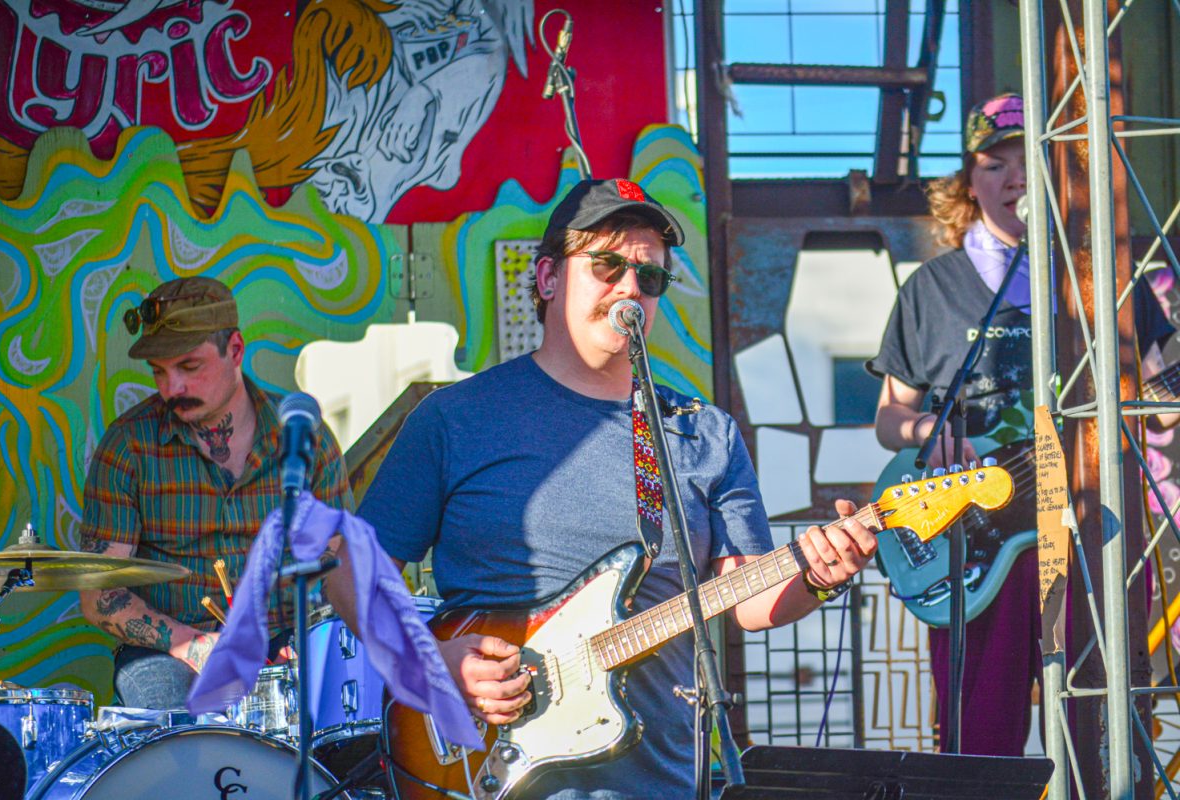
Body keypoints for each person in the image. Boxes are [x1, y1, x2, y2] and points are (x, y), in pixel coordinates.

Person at [332, 178, 879, 799]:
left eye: (648, 278)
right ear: (546, 280)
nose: (628, 288)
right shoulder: (455, 419)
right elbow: (351, 570)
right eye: (606, 265)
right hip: (488, 771)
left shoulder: (703, 433)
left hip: (662, 778)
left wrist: (819, 571)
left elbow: (748, 600)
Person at [869, 93, 1174, 755]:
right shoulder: (933, 287)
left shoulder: (1110, 279)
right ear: (969, 185)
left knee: (1104, 728)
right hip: (977, 538)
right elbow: (889, 418)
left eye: (1028, 161)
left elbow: (1161, 394)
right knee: (980, 731)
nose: (1012, 178)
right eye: (993, 163)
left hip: (1099, 526)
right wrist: (925, 432)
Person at [78, 277, 351, 709]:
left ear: (236, 350)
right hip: (169, 649)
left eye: (189, 367)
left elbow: (337, 568)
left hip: (281, 641)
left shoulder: (305, 441)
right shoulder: (127, 446)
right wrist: (194, 646)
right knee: (168, 725)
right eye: (159, 372)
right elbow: (99, 597)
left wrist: (309, 636)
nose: (173, 389)